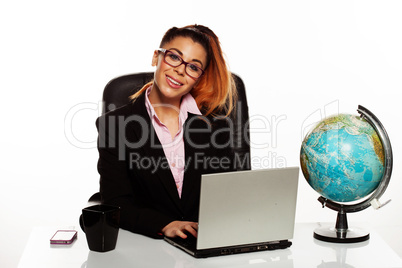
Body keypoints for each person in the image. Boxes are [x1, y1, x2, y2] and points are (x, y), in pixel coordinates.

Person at [96, 25, 237, 239]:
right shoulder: (114, 125)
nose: (180, 70)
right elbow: (116, 203)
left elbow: (230, 194)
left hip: (205, 244)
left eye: (193, 67)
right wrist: (164, 224)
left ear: (198, 77)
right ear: (156, 58)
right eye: (174, 57)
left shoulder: (216, 126)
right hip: (146, 246)